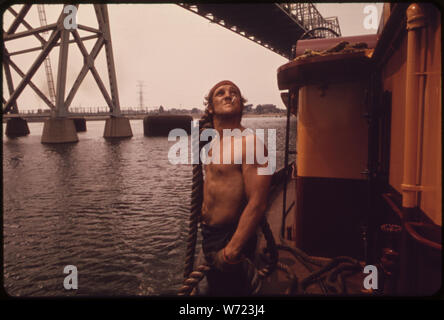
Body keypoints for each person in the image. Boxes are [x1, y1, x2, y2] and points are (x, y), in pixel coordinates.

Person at [198, 80, 272, 296]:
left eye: (234, 93)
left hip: (230, 238)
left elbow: (258, 203)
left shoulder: (251, 144)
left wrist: (232, 250)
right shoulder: (212, 143)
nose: (229, 95)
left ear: (241, 104)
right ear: (210, 108)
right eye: (220, 93)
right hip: (208, 236)